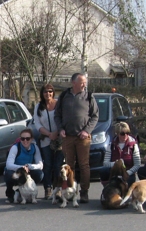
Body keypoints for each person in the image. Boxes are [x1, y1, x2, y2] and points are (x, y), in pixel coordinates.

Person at [55, 73, 98, 203]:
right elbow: (57, 115)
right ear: (73, 83)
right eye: (82, 82)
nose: (84, 84)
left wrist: (87, 131)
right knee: (68, 165)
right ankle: (68, 191)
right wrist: (60, 129)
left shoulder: (89, 97)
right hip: (68, 136)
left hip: (83, 138)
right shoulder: (64, 96)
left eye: (85, 82)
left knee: (84, 165)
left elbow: (95, 116)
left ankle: (84, 192)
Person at [33, 83, 62, 200]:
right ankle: (48, 188)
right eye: (45, 91)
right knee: (48, 165)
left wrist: (57, 133)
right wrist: (49, 134)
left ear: (53, 92)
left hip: (59, 139)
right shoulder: (38, 106)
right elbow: (37, 123)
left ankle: (58, 189)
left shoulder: (59, 104)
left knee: (58, 165)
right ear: (42, 93)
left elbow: (63, 119)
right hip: (46, 139)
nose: (48, 94)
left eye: (50, 91)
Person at [4, 129, 44, 203]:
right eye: (22, 139)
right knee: (9, 174)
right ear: (20, 139)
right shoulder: (15, 147)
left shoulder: (35, 147)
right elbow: (8, 164)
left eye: (28, 138)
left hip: (28, 171)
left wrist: (30, 166)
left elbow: (40, 165)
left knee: (40, 174)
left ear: (31, 139)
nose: (25, 141)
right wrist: (22, 167)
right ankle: (10, 194)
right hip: (16, 171)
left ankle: (22, 191)